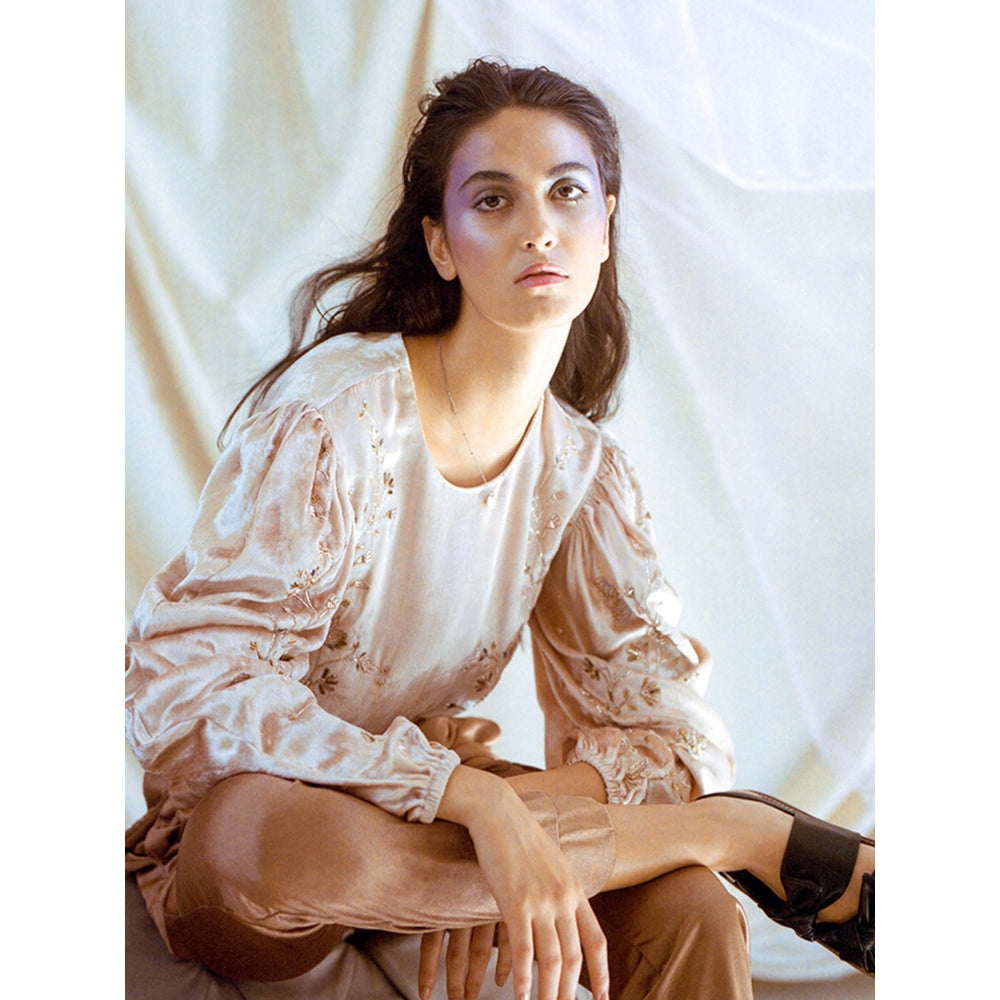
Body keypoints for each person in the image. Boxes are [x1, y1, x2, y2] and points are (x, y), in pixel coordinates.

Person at [125, 59, 874, 1000]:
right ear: (441, 245)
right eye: (493, 200)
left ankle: (558, 856)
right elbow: (190, 689)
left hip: (433, 821)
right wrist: (466, 797)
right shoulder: (337, 417)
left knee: (686, 906)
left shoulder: (584, 475)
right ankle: (739, 833)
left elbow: (672, 741)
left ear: (606, 227)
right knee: (282, 841)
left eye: (568, 193)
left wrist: (510, 820)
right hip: (266, 851)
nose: (538, 227)